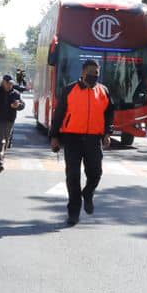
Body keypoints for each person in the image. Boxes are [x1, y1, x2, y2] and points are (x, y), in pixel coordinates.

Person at [50, 59, 113, 226]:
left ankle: (88, 193)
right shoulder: (70, 90)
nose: (94, 77)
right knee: (73, 176)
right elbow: (59, 114)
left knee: (96, 173)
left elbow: (109, 114)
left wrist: (107, 133)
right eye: (91, 73)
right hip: (72, 138)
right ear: (83, 73)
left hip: (93, 139)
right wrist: (54, 136)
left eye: (97, 74)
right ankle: (73, 213)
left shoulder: (103, 91)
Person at [0, 74, 25, 171]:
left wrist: (18, 105)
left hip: (9, 121)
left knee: (6, 140)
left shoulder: (15, 93)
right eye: (8, 83)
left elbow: (22, 105)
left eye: (11, 84)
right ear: (3, 82)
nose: (10, 85)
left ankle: (1, 156)